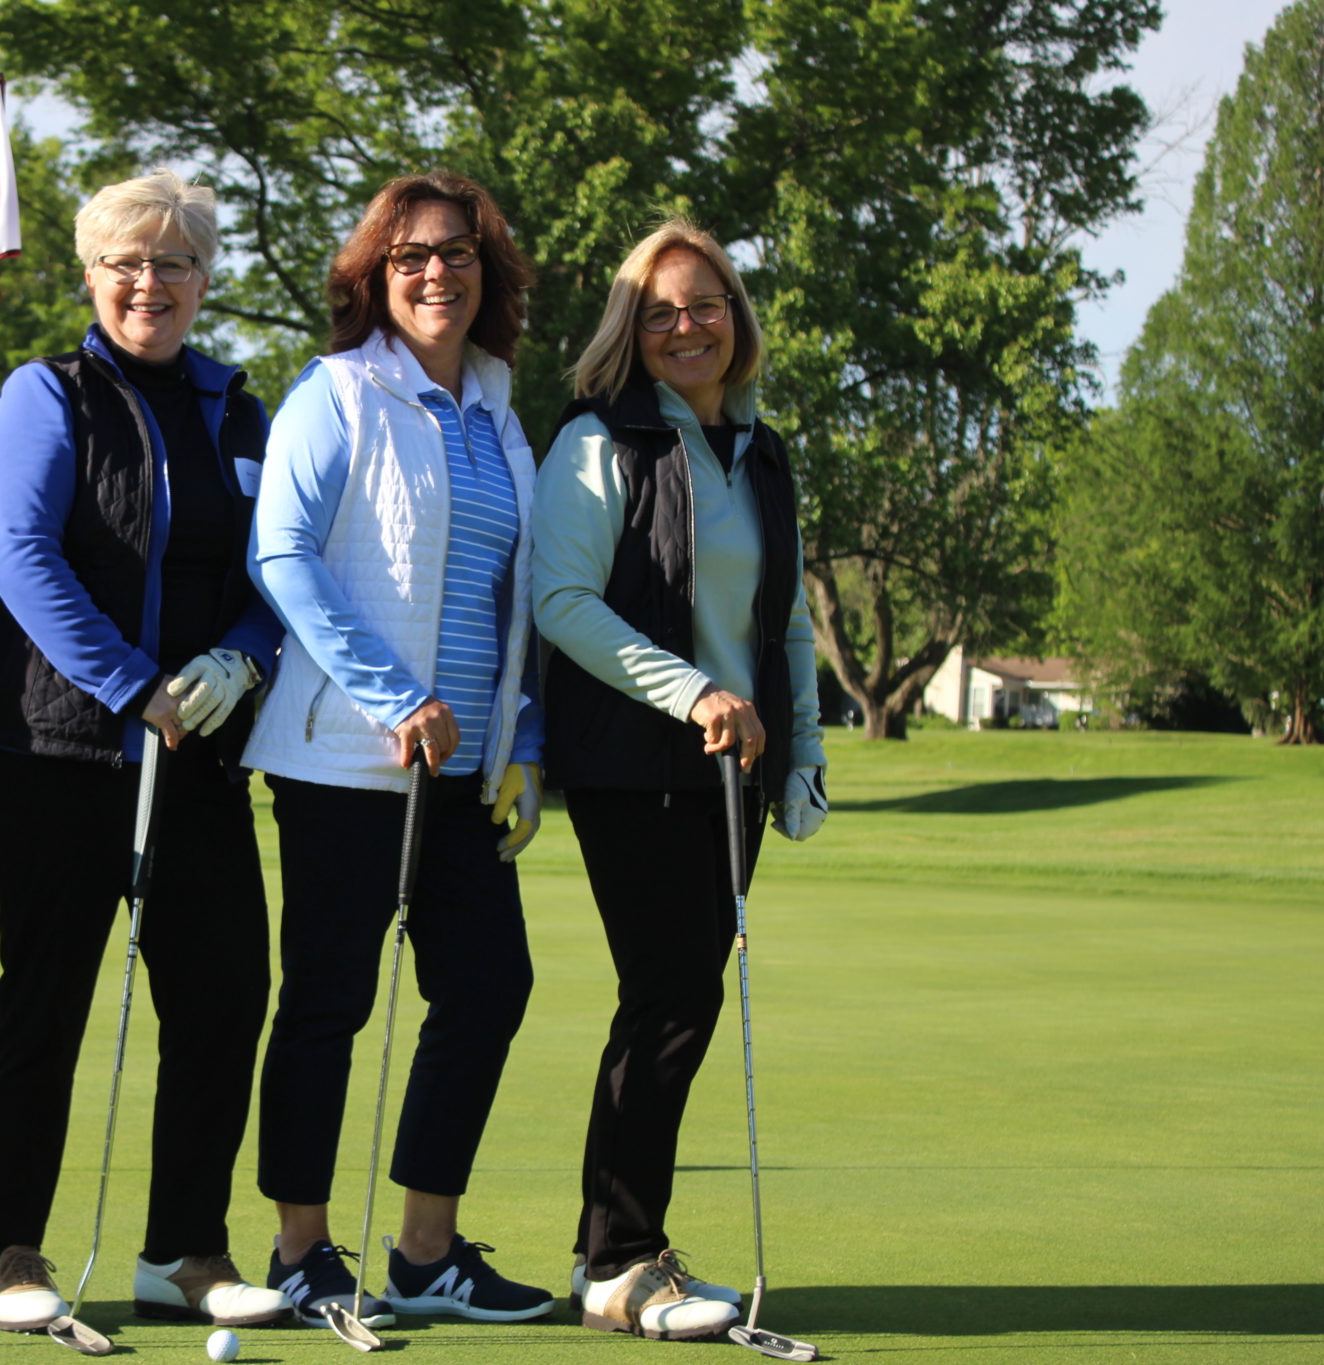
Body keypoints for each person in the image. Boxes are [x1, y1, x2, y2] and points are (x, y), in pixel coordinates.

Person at [0, 170, 291, 1336]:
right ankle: (12, 1252)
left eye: (176, 262)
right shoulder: (49, 394)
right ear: (92, 274)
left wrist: (241, 659)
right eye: (127, 262)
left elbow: (272, 572)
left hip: (194, 752)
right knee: (44, 1002)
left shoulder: (237, 409)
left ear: (203, 278)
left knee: (222, 995)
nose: (151, 283)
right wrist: (132, 685)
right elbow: (23, 561)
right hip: (54, 749)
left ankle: (185, 1250)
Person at [243, 170, 552, 1329]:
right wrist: (393, 696)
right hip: (343, 760)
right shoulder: (335, 394)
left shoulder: (499, 411)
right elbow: (281, 557)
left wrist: (519, 737)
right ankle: (301, 1251)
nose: (437, 272)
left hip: (463, 774)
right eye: (412, 255)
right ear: (375, 275)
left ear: (489, 274)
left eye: (459, 254)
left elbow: (502, 597)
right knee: (327, 1001)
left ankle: (424, 1255)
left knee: (486, 987)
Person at [529, 216, 828, 1340]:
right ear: (629, 330)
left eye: (703, 304)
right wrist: (690, 689)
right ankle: (616, 1259)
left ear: (736, 318)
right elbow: (562, 604)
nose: (684, 325)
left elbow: (780, 614)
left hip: (731, 775)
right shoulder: (598, 443)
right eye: (658, 312)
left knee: (679, 1001)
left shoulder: (759, 447)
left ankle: (617, 1247)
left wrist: (802, 752)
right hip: (632, 761)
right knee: (667, 999)